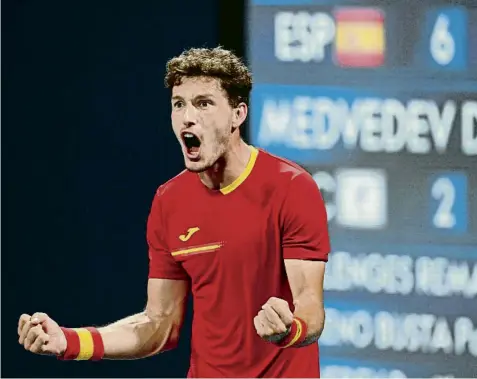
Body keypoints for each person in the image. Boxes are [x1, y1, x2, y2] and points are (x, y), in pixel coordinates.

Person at [17, 47, 330, 378]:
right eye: (179, 104)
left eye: (203, 103)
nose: (187, 117)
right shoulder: (169, 200)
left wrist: (289, 329)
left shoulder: (292, 187)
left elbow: (311, 306)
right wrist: (69, 341)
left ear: (238, 114)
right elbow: (160, 324)